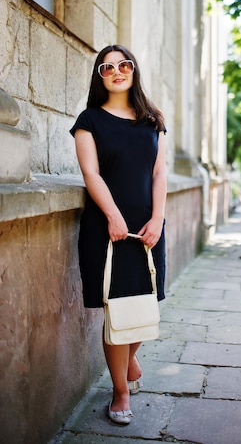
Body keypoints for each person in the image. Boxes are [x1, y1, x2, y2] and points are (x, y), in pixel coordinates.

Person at [70, 44, 167, 425]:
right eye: (107, 67)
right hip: (107, 229)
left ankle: (129, 360)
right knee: (117, 310)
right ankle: (120, 390)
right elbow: (91, 173)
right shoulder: (88, 120)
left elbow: (159, 174)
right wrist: (112, 214)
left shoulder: (152, 120)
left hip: (147, 229)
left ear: (133, 70)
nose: (117, 71)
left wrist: (158, 218)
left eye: (123, 64)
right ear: (100, 76)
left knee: (146, 304)